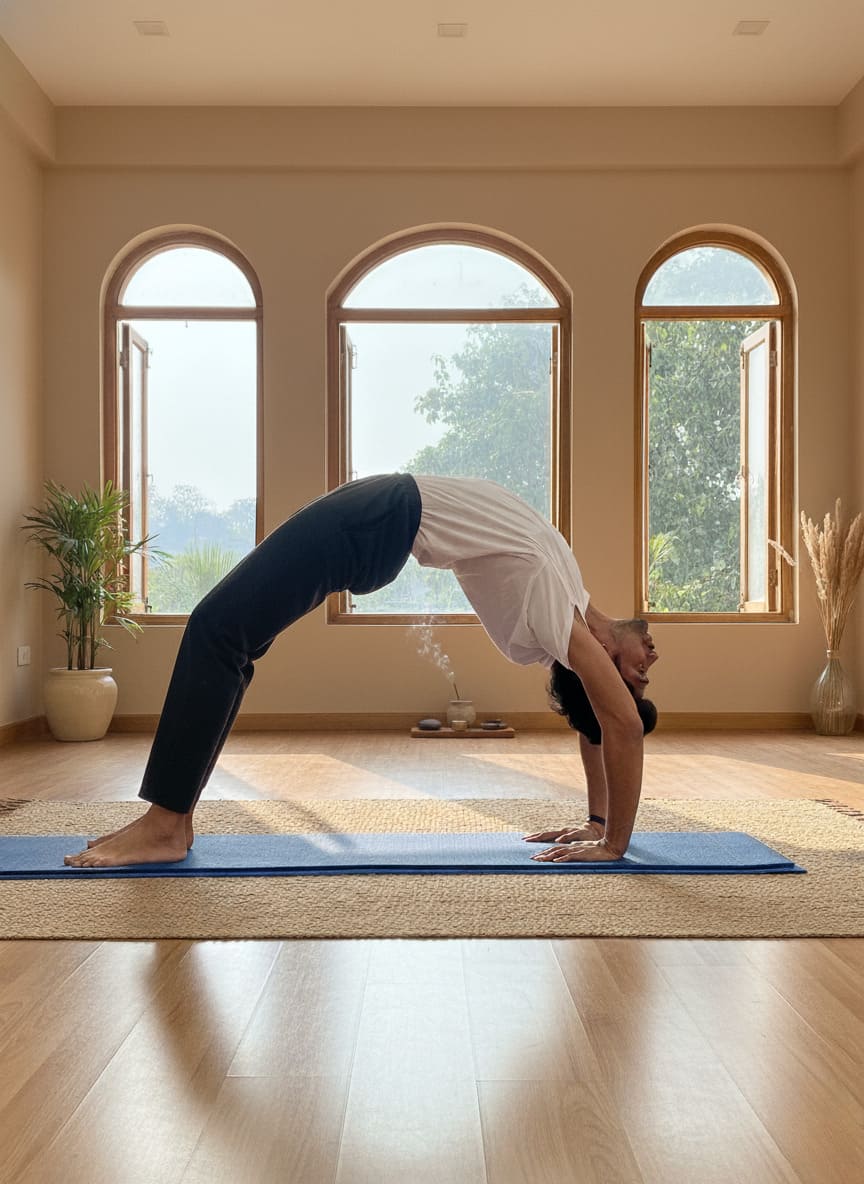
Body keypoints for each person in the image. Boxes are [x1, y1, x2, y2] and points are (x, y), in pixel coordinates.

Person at [64, 473, 658, 869]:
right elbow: (603, 718)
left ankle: (168, 825)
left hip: (377, 518)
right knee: (229, 637)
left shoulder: (557, 612)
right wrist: (598, 821)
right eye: (644, 668)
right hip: (381, 516)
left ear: (607, 664)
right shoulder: (573, 599)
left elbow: (617, 724)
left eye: (637, 678)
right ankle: (171, 821)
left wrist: (611, 843)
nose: (650, 663)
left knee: (218, 630)